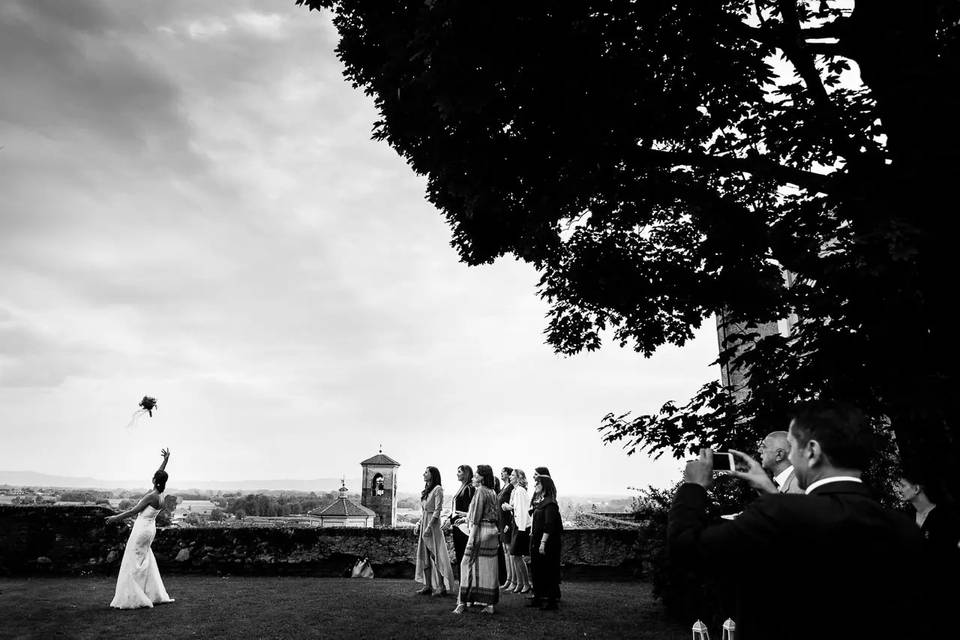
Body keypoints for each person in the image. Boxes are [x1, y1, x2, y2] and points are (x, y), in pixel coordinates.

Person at [668, 401, 924, 640]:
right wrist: (769, 490)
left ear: (811, 450)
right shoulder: (904, 529)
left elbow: (686, 547)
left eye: (793, 447)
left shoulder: (777, 515)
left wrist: (694, 487)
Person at [105, 448, 175, 609]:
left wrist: (115, 518)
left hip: (142, 529)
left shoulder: (151, 496)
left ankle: (133, 596)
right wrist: (166, 460)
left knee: (132, 560)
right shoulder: (161, 496)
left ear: (154, 480)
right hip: (150, 529)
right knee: (144, 560)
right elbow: (160, 473)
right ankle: (150, 592)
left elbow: (132, 511)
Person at [896, 472, 960, 633]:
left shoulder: (946, 517)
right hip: (913, 595)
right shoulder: (904, 518)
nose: (898, 490)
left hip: (943, 592)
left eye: (902, 485)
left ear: (917, 488)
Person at [453, 464, 500, 615]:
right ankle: (489, 604)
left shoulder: (480, 491)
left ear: (482, 477)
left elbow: (477, 517)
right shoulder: (492, 491)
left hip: (480, 531)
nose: (473, 477)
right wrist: (465, 517)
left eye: (476, 475)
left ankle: (462, 602)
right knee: (488, 568)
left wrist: (472, 535)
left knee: (466, 564)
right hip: (492, 532)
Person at [414, 466, 455, 596]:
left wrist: (428, 527)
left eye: (426, 472)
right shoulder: (426, 491)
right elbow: (423, 512)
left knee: (435, 554)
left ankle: (442, 586)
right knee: (424, 554)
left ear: (433, 475)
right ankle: (427, 586)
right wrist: (419, 524)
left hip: (433, 525)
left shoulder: (438, 489)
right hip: (425, 522)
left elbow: (437, 510)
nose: (423, 474)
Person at [528, 473, 562, 610]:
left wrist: (543, 543)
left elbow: (549, 525)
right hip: (537, 540)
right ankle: (538, 597)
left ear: (545, 486)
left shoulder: (550, 503)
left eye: (538, 483)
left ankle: (551, 601)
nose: (535, 485)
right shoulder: (541, 502)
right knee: (537, 570)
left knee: (549, 570)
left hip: (548, 543)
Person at [502, 468, 532, 593]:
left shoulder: (519, 491)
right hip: (516, 525)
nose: (511, 477)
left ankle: (525, 583)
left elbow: (521, 511)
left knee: (517, 555)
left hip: (521, 527)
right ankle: (521, 583)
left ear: (519, 478)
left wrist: (508, 507)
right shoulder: (515, 490)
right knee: (515, 556)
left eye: (513, 475)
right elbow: (516, 509)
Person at [449, 465, 476, 567]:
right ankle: (462, 582)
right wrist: (450, 519)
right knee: (460, 557)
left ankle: (465, 582)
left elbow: (468, 510)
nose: (457, 473)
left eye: (459, 472)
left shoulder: (470, 488)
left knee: (464, 558)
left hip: (464, 527)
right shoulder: (463, 487)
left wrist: (452, 520)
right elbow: (455, 510)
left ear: (466, 474)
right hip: (457, 526)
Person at [497, 466, 514, 590]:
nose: (501, 474)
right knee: (505, 551)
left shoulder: (510, 488)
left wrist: (508, 523)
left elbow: (511, 507)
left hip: (507, 522)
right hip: (501, 521)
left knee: (509, 551)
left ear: (508, 474)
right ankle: (508, 579)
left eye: (503, 473)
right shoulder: (504, 488)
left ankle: (513, 580)